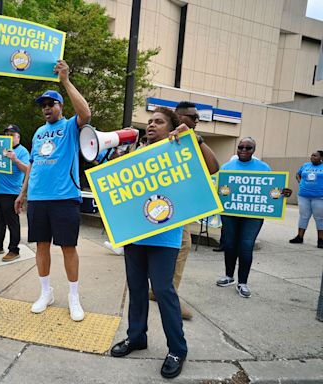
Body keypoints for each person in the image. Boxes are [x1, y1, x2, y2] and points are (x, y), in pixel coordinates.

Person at [110, 107, 188, 379]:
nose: (151, 125)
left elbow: (211, 167)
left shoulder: (182, 148)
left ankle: (178, 349)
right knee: (136, 287)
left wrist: (193, 139)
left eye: (159, 121)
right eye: (150, 121)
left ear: (172, 126)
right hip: (135, 234)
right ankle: (136, 337)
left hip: (165, 237)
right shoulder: (136, 153)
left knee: (164, 290)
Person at [14, 60, 91, 322]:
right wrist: (23, 193)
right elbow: (33, 164)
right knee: (41, 247)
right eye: (44, 106)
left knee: (68, 247)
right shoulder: (37, 133)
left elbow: (86, 114)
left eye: (52, 104)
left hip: (64, 198)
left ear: (60, 106)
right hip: (38, 199)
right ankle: (46, 292)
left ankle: (73, 296)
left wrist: (66, 81)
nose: (47, 109)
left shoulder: (70, 126)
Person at [149, 102, 219, 321]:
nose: (196, 121)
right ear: (179, 118)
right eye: (192, 117)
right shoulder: (155, 142)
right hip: (154, 209)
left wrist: (196, 139)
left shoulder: (187, 142)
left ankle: (166, 293)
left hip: (176, 210)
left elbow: (213, 167)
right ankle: (165, 294)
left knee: (182, 246)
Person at [216, 137, 291, 298]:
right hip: (230, 213)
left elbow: (272, 191)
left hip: (253, 214)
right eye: (240, 147)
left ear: (254, 150)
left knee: (246, 246)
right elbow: (219, 189)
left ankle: (242, 282)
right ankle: (229, 276)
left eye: (248, 148)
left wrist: (283, 193)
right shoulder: (226, 167)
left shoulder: (264, 168)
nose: (243, 150)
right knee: (229, 244)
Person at [0, 124, 30, 261]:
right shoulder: (1, 149)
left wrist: (15, 159)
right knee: (0, 220)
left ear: (18, 137)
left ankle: (14, 249)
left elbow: (28, 170)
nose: (8, 137)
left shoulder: (22, 151)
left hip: (11, 192)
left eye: (12, 134)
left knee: (12, 222)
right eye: (6, 134)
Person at [289, 150, 323, 248]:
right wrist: (301, 183)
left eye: (315, 156)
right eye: (312, 155)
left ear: (321, 158)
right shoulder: (305, 165)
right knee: (303, 216)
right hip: (303, 196)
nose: (312, 157)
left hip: (319, 197)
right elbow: (297, 174)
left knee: (319, 218)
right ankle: (299, 237)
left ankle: (320, 240)